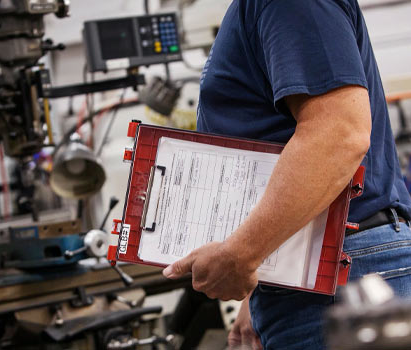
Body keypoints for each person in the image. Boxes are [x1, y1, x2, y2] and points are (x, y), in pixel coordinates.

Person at [162, 0, 411, 349]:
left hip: (344, 273)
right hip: (312, 278)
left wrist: (243, 254)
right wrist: (260, 276)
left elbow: (338, 134)